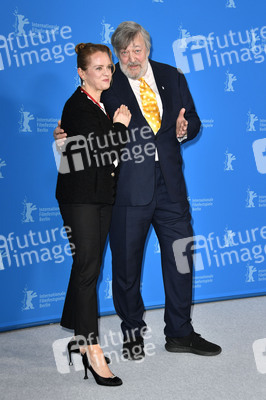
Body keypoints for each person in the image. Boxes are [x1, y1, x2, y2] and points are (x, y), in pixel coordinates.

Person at [54, 22, 221, 361]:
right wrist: (63, 132)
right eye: (124, 52)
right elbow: (83, 115)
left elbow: (195, 119)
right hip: (128, 190)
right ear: (116, 55)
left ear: (148, 48)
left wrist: (186, 129)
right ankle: (132, 334)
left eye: (137, 49)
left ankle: (180, 332)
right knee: (126, 269)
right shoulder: (107, 80)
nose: (131, 57)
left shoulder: (172, 76)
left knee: (181, 261)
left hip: (171, 188)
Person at [56, 42, 131, 386]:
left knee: (88, 267)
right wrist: (120, 126)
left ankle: (76, 332)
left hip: (99, 196)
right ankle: (91, 348)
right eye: (97, 68)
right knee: (88, 271)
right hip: (81, 199)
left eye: (108, 67)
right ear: (81, 72)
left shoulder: (95, 104)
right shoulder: (78, 107)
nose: (105, 73)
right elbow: (103, 150)